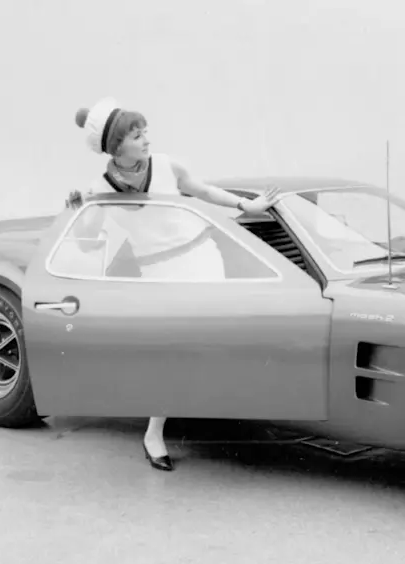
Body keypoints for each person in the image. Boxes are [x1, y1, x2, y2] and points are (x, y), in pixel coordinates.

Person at [69, 97, 282, 472]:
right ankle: (154, 433)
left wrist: (244, 206)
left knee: (213, 341)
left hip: (201, 259)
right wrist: (77, 210)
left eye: (145, 131)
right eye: (137, 135)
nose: (146, 139)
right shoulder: (99, 188)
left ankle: (230, 412)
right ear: (116, 146)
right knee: (172, 353)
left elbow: (204, 191)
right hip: (159, 275)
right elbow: (86, 241)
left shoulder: (166, 165)